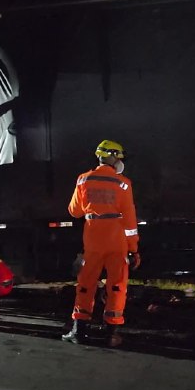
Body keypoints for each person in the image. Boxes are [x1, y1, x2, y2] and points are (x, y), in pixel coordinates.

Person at [62, 139, 141, 347]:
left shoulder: (82, 180)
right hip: (117, 239)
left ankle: (79, 331)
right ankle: (112, 333)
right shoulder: (123, 183)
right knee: (117, 285)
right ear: (112, 157)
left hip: (93, 237)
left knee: (86, 283)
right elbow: (130, 220)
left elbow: (74, 211)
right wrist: (133, 249)